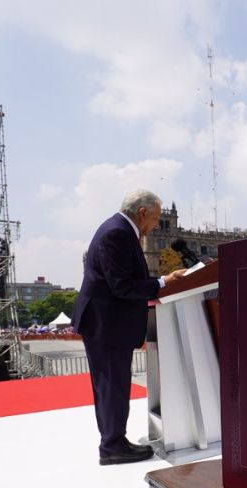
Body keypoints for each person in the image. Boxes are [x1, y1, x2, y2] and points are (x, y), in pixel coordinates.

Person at [73, 189, 188, 466]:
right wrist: (163, 282)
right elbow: (122, 286)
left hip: (106, 322)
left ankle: (114, 441)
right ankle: (112, 446)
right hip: (106, 324)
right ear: (143, 213)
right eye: (157, 219)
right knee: (113, 385)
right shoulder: (118, 233)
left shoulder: (119, 230)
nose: (156, 225)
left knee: (112, 385)